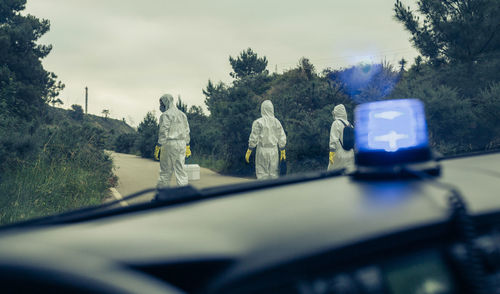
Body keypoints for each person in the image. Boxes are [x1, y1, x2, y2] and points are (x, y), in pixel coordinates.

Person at [154, 94, 191, 188]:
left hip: (169, 144)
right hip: (182, 144)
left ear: (166, 102)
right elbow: (187, 130)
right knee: (181, 170)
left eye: (161, 103)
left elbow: (163, 131)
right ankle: (184, 194)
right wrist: (187, 144)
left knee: (165, 171)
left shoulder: (165, 115)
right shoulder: (182, 114)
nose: (160, 105)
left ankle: (162, 195)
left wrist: (159, 145)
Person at [245, 100, 286, 179]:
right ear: (272, 109)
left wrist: (250, 149)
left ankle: (263, 190)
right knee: (274, 174)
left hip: (262, 151)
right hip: (274, 151)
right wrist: (282, 150)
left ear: (262, 109)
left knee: (262, 174)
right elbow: (282, 136)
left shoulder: (258, 122)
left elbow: (254, 137)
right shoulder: (277, 122)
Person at [328, 104, 355, 172]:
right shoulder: (350, 125)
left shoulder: (336, 123)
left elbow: (334, 139)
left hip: (339, 154)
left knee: (332, 176)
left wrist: (332, 152)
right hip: (351, 154)